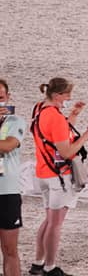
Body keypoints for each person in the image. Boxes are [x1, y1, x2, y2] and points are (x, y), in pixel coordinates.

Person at [30, 78, 88, 276]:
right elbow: (66, 151)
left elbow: (55, 134)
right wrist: (86, 136)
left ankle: (37, 263)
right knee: (55, 224)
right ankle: (50, 267)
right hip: (59, 177)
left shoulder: (39, 108)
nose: (69, 98)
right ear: (57, 95)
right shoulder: (56, 117)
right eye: (67, 95)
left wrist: (73, 115)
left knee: (49, 220)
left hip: (43, 172)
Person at [0, 80, 26, 276]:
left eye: (0, 98)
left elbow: (8, 145)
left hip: (6, 193)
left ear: (8, 97)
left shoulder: (16, 121)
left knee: (10, 250)